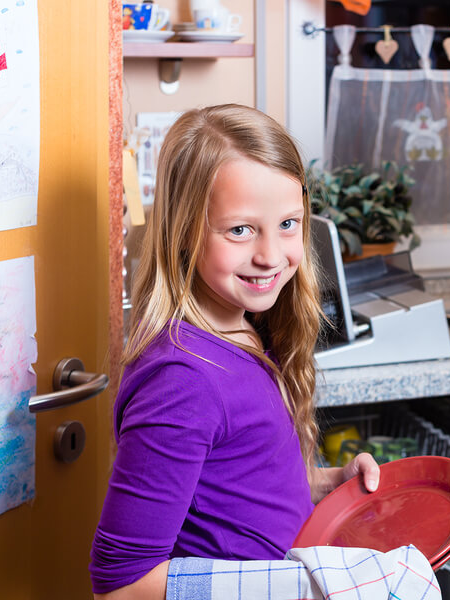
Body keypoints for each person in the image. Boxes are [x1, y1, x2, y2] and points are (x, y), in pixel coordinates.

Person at [89, 104, 380, 599]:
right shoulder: (182, 380)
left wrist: (326, 484)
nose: (270, 255)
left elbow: (232, 492)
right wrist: (292, 588)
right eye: (240, 230)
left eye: (288, 224)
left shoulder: (245, 329)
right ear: (184, 231)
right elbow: (120, 583)